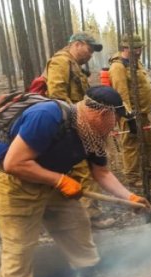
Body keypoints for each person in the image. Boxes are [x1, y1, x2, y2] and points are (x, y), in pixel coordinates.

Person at [0, 86, 150, 277]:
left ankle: (88, 272)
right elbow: (14, 163)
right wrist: (61, 181)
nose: (116, 125)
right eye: (116, 118)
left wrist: (129, 197)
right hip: (15, 183)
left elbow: (102, 172)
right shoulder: (47, 116)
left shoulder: (93, 134)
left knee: (76, 224)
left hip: (54, 180)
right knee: (20, 242)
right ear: (103, 114)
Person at [45, 32, 109, 227]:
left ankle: (86, 215)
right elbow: (56, 96)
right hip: (71, 127)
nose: (90, 55)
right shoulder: (61, 62)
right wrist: (78, 120)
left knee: (86, 170)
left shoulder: (74, 65)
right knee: (83, 171)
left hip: (78, 125)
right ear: (77, 44)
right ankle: (90, 218)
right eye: (89, 49)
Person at [108, 34, 151, 188]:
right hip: (129, 115)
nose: (138, 51)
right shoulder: (118, 67)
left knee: (147, 143)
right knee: (131, 144)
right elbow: (121, 93)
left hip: (143, 113)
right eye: (134, 48)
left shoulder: (136, 63)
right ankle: (132, 177)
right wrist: (128, 116)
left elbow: (144, 87)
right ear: (125, 48)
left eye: (140, 47)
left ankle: (147, 170)